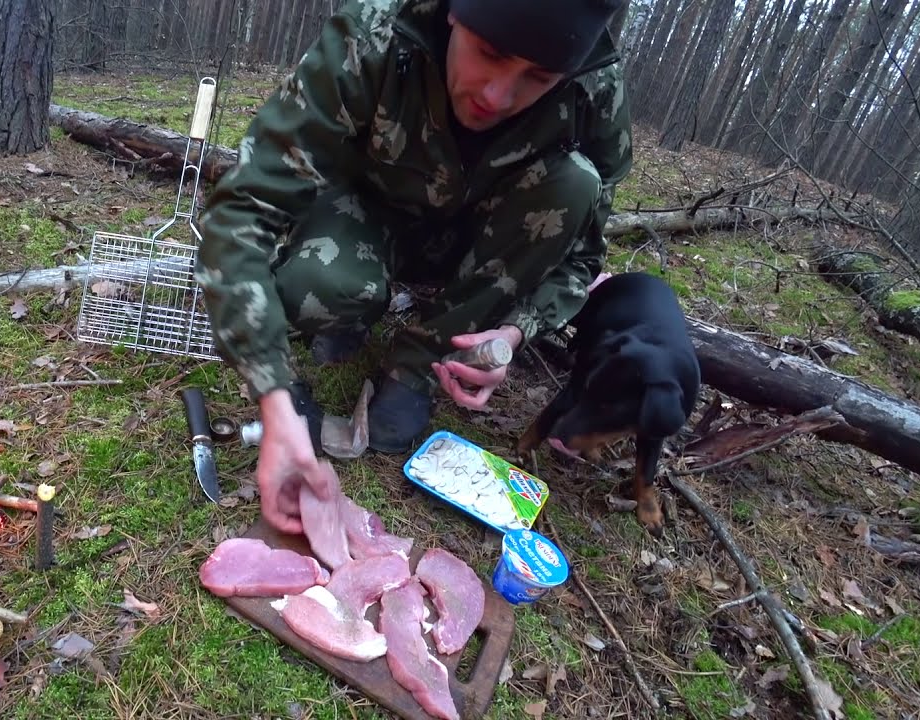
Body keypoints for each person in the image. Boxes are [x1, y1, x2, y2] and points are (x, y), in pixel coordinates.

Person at [193, 0, 633, 534]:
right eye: (488, 53)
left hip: (485, 247)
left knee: (576, 181)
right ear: (453, 14)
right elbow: (241, 209)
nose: (497, 94)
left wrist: (516, 331)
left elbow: (583, 257)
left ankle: (418, 361)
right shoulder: (376, 34)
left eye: (538, 77)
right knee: (318, 287)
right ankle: (353, 311)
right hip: (367, 210)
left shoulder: (594, 89)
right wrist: (274, 391)